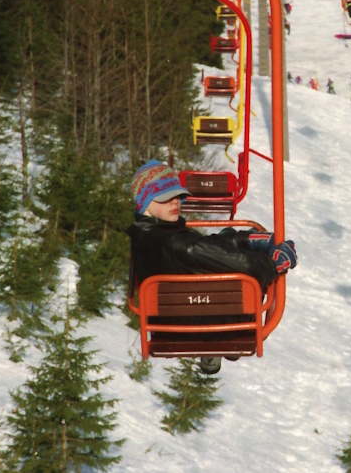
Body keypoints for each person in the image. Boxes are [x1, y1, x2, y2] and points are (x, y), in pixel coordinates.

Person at [127, 161, 297, 375]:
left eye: (177, 195)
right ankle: (220, 345)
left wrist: (243, 239)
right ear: (144, 202)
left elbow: (207, 248)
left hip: (171, 326)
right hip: (216, 326)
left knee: (226, 239)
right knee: (248, 276)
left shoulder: (146, 237)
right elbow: (246, 265)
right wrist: (274, 263)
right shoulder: (177, 244)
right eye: (165, 197)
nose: (175, 202)